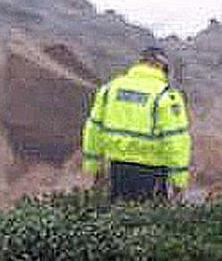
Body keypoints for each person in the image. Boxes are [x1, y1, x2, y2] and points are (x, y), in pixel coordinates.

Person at [81, 44, 192, 201]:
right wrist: (179, 181)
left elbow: (93, 129)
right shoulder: (166, 96)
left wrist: (94, 167)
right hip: (152, 173)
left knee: (115, 219)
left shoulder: (110, 89)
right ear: (163, 67)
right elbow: (177, 140)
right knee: (148, 222)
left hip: (116, 169)